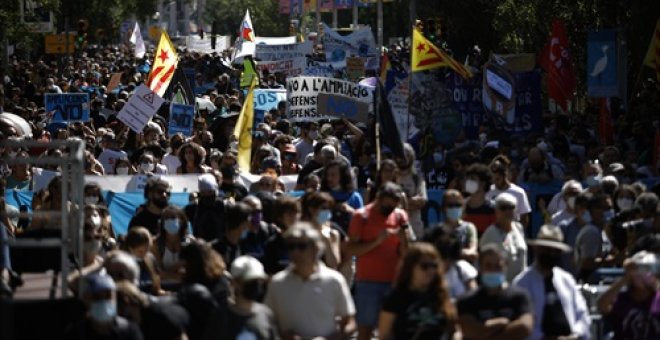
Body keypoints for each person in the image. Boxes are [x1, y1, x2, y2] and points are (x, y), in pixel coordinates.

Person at [264, 223, 356, 340]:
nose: (296, 252)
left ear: (316, 248)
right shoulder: (277, 283)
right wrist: (283, 336)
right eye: (291, 247)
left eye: (302, 246)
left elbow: (350, 322)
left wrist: (330, 338)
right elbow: (267, 321)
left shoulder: (334, 280)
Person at [346, 182, 412, 340]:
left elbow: (407, 253)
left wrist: (404, 240)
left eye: (393, 206)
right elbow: (350, 250)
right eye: (387, 206)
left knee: (392, 331)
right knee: (365, 330)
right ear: (378, 198)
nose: (390, 210)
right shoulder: (361, 216)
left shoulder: (400, 216)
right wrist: (377, 241)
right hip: (368, 282)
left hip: (394, 283)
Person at [513, 225, 592, 339]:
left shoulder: (566, 280)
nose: (551, 254)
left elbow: (582, 313)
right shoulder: (522, 283)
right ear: (537, 249)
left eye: (556, 251)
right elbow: (519, 322)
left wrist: (575, 334)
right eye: (547, 250)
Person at [378, 242, 458, 340]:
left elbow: (453, 330)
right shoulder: (396, 297)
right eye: (425, 266)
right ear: (410, 267)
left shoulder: (441, 294)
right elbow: (385, 335)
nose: (431, 271)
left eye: (434, 266)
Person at [457, 244, 533, 340]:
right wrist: (501, 323)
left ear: (505, 267)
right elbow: (469, 330)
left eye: (498, 266)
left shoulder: (520, 296)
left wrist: (485, 330)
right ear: (480, 268)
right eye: (488, 266)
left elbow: (525, 327)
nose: (493, 270)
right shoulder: (467, 300)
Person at [204, 255, 278, 339]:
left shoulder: (266, 314)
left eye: (259, 280)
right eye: (251, 281)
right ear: (235, 283)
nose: (257, 285)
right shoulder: (220, 317)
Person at [597, 251, 660, 339]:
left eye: (648, 269)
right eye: (639, 269)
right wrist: (625, 278)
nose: (643, 273)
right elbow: (602, 306)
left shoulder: (657, 298)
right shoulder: (622, 299)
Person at [66, 273, 144, 340]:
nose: (103, 301)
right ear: (87, 300)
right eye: (97, 297)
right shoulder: (76, 333)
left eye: (108, 296)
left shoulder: (129, 331)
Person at [480, 193, 528, 282]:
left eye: (511, 207)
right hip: (501, 288)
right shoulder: (490, 233)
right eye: (503, 208)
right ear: (496, 211)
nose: (508, 211)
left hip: (521, 287)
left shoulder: (518, 228)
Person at [422, 225, 478, 300]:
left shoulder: (462, 267)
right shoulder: (424, 271)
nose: (444, 246)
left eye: (447, 242)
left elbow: (474, 294)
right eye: (440, 242)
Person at [300, 191, 343, 270]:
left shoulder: (333, 234)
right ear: (311, 209)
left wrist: (326, 240)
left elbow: (333, 263)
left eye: (329, 208)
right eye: (323, 208)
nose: (327, 211)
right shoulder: (300, 232)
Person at [151, 206, 194, 283]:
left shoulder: (190, 242)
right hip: (164, 287)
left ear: (181, 221)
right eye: (166, 218)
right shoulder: (155, 243)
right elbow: (157, 272)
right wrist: (176, 269)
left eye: (173, 217)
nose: (169, 220)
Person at [486, 155, 532, 227]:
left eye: (498, 179)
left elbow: (524, 217)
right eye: (493, 179)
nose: (495, 182)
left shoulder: (519, 192)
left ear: (504, 175)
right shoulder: (488, 192)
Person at [320, 159, 364, 232]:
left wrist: (351, 211)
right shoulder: (321, 196)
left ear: (343, 176)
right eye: (328, 175)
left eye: (333, 175)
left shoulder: (355, 197)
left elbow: (362, 221)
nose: (329, 178)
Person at [435, 189, 478, 261]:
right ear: (443, 208)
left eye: (458, 205)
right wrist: (462, 253)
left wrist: (449, 254)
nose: (454, 208)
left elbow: (472, 252)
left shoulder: (469, 227)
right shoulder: (436, 231)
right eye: (450, 205)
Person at [395, 143, 428, 238]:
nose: (404, 158)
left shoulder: (417, 178)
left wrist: (402, 202)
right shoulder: (392, 176)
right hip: (395, 227)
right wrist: (411, 201)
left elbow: (422, 200)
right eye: (401, 154)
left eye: (407, 155)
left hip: (415, 226)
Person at [574, 193, 607, 282]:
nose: (605, 212)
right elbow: (587, 263)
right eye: (601, 208)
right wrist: (614, 260)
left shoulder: (600, 231)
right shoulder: (591, 231)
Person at [263, 195, 301, 275]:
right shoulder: (272, 245)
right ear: (280, 217)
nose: (295, 217)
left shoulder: (306, 242)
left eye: (297, 212)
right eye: (290, 213)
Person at [185, 174, 226, 242]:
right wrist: (187, 236)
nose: (207, 195)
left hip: (220, 247)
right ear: (200, 192)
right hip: (200, 246)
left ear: (215, 191)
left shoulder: (223, 206)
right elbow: (178, 218)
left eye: (210, 192)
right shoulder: (193, 208)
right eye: (203, 193)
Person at [124, 227, 164, 295]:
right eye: (140, 251)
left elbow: (157, 289)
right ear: (130, 248)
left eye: (147, 250)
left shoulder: (150, 258)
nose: (144, 254)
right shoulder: (123, 262)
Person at [241, 195, 278, 263]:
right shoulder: (238, 235)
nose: (255, 215)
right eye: (250, 212)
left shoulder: (271, 231)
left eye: (258, 211)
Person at [462, 163, 495, 235]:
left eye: (472, 179)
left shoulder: (493, 209)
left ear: (483, 183)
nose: (468, 182)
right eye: (467, 179)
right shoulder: (461, 207)